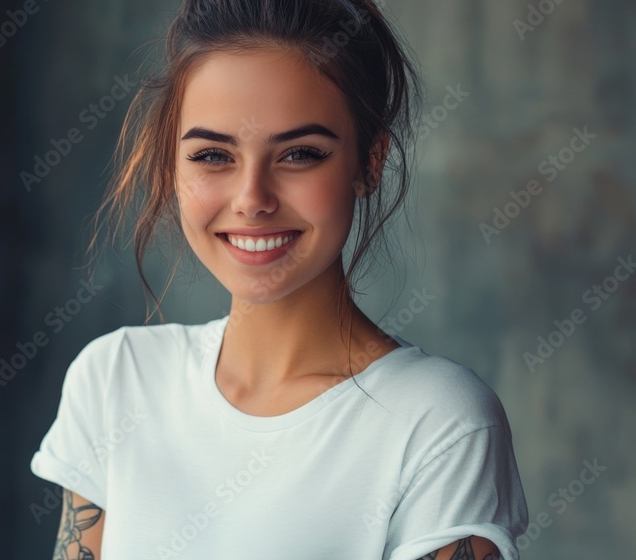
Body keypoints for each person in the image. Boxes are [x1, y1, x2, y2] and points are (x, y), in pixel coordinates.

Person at [30, 1, 529, 558]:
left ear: (370, 162)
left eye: (299, 154)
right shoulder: (114, 380)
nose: (252, 199)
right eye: (212, 155)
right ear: (173, 164)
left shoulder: (438, 422)